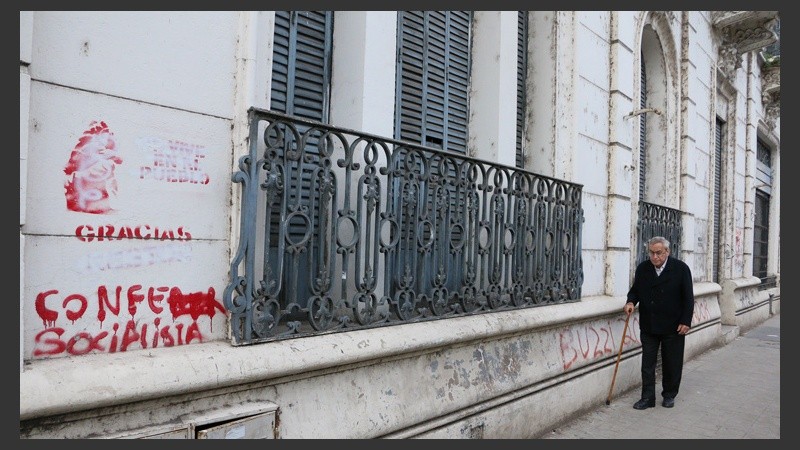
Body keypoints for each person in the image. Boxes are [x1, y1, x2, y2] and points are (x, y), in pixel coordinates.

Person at [624, 236, 694, 409]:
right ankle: (647, 398)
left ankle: (669, 394)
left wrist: (686, 320)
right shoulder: (643, 269)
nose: (655, 257)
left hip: (673, 325)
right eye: (652, 253)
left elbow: (688, 298)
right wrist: (631, 302)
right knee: (647, 364)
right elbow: (635, 291)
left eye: (659, 253)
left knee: (672, 362)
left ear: (667, 252)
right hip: (649, 324)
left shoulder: (680, 269)